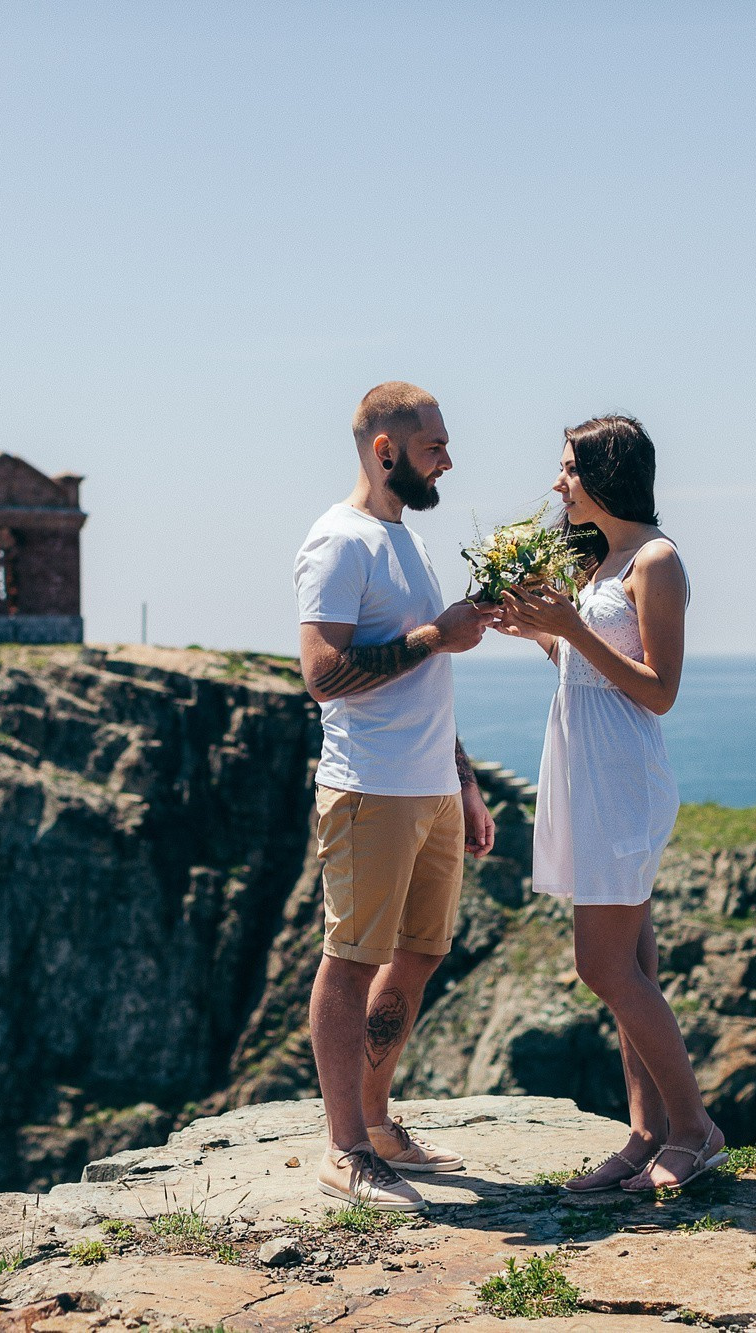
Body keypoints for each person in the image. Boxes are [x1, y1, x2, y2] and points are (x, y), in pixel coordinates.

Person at [497, 414, 726, 1192]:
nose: (557, 483)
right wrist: (539, 629)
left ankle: (695, 1128)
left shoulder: (656, 559)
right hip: (585, 769)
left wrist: (570, 626)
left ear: (604, 473)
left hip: (622, 777)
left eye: (567, 468)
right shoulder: (606, 559)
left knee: (601, 965)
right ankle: (645, 1131)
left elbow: (659, 690)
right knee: (631, 962)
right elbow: (587, 669)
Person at [293, 381, 499, 1211]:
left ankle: (376, 1123)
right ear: (386, 451)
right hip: (369, 789)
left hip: (430, 791)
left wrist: (467, 782)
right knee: (352, 960)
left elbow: (427, 680)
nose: (447, 456)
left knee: (419, 952)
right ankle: (343, 1149)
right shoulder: (337, 542)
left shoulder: (404, 542)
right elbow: (321, 676)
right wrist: (432, 635)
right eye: (433, 445)